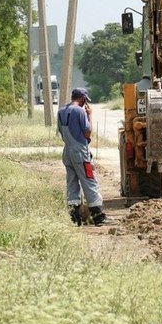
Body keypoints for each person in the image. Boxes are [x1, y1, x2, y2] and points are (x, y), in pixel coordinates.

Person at [57, 87, 109, 226]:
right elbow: (87, 132)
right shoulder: (80, 111)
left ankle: (74, 218)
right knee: (89, 181)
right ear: (83, 99)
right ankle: (98, 216)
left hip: (67, 151)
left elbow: (61, 132)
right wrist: (89, 115)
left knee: (72, 183)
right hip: (80, 152)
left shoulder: (61, 111)